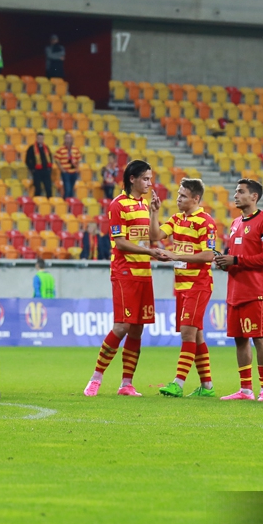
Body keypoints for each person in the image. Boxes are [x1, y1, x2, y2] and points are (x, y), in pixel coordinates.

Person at [83, 159, 172, 397]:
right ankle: (96, 378)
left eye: (150, 179)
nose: (149, 183)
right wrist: (150, 252)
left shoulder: (145, 205)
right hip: (124, 272)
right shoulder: (118, 205)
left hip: (144, 273)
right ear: (132, 179)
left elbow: (152, 238)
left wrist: (155, 213)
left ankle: (126, 384)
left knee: (137, 330)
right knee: (122, 326)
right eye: (145, 179)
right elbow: (120, 242)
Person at [150, 178, 217, 398]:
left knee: (188, 333)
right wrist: (154, 213)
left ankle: (178, 383)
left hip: (198, 284)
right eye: (178, 195)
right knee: (196, 336)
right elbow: (155, 236)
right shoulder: (177, 219)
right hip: (181, 285)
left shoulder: (206, 222)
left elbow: (208, 255)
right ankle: (207, 387)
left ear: (195, 199)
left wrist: (175, 255)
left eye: (183, 196)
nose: (178, 199)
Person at [212, 179, 263, 401]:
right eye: (236, 191)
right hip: (235, 291)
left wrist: (236, 260)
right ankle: (246, 390)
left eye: (241, 192)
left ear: (254, 196)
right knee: (239, 339)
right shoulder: (235, 223)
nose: (236, 195)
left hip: (255, 291)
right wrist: (225, 263)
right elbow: (234, 256)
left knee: (258, 338)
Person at [24, 132, 54, 198]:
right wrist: (32, 169)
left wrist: (49, 168)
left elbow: (50, 158)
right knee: (38, 189)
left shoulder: (46, 148)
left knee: (48, 188)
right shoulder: (31, 148)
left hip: (46, 171)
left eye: (41, 138)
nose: (40, 139)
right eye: (39, 138)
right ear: (36, 138)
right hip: (37, 171)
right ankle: (37, 201)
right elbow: (27, 160)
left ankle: (48, 202)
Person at [54, 133, 81, 200]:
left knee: (71, 189)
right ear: (64, 139)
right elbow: (57, 160)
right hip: (66, 172)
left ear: (71, 139)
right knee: (67, 189)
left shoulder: (75, 149)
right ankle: (66, 202)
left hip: (74, 172)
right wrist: (62, 169)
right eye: (67, 138)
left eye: (69, 138)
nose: (68, 140)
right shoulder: (60, 149)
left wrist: (77, 169)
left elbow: (78, 159)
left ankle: (70, 202)